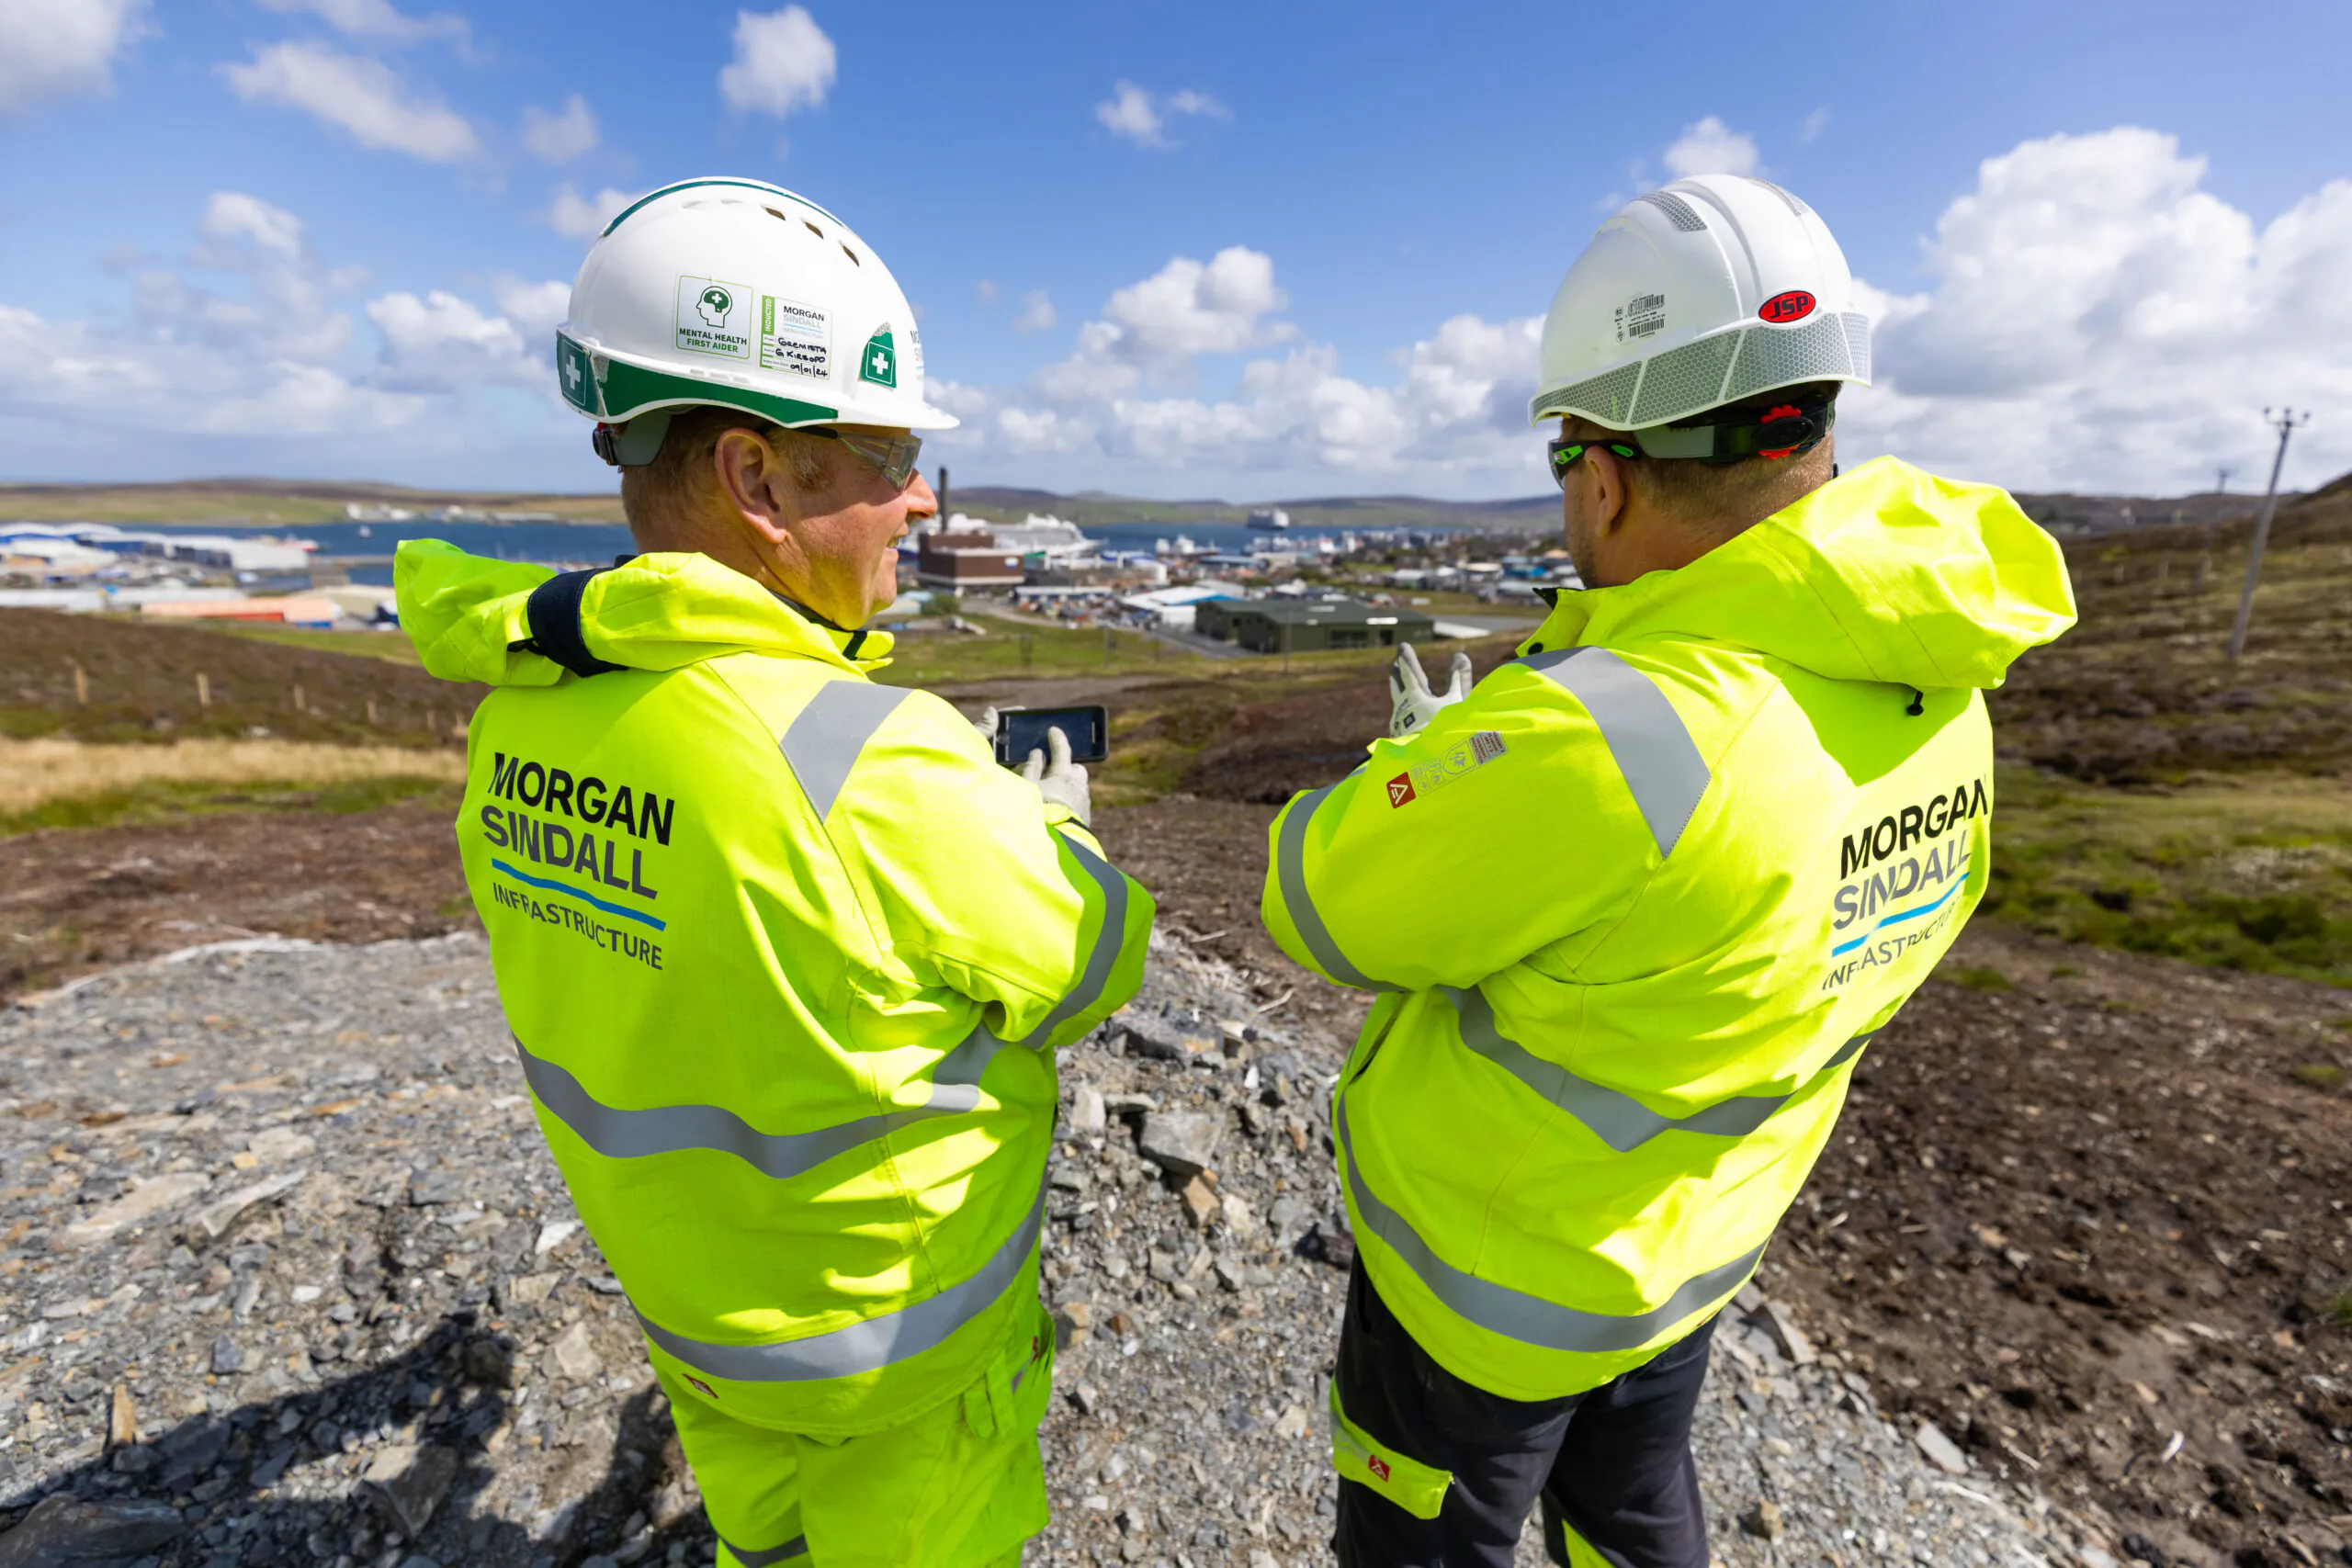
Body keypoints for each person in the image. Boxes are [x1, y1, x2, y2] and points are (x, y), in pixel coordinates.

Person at [1261, 173, 2077, 1566]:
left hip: (1489, 1287)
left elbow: (1315, 897)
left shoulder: (1611, 732)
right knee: (1633, 1514)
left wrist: (1443, 761)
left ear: (1603, 468)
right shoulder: (1937, 679)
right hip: (1700, 1247)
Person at [394, 176, 1155, 1567]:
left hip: (700, 1321)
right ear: (756, 478)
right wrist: (1056, 827)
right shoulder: (867, 762)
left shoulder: (522, 715)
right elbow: (1094, 959)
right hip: (897, 1370)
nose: (920, 494)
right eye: (886, 453)